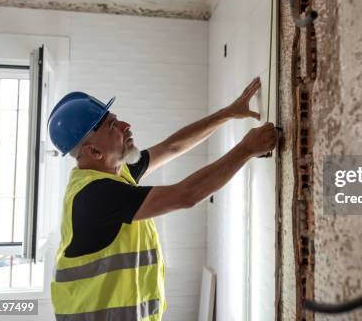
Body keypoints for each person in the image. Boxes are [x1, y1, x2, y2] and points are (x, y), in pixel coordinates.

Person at [48, 77, 276, 320]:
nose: (126, 125)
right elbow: (185, 195)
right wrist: (246, 150)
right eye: (112, 126)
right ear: (94, 151)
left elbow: (172, 147)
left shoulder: (116, 173)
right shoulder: (94, 196)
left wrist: (228, 113)